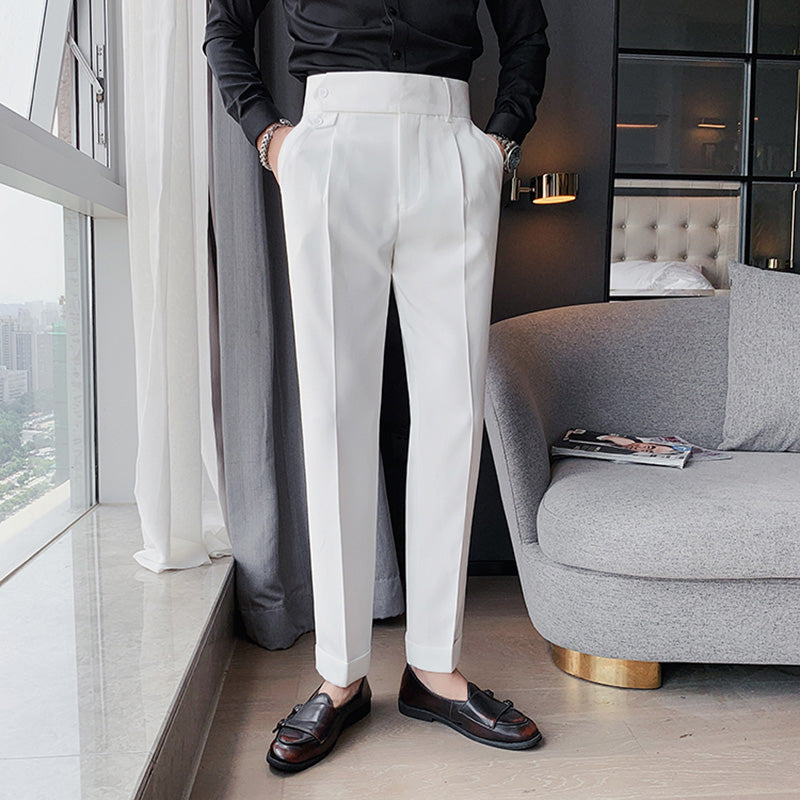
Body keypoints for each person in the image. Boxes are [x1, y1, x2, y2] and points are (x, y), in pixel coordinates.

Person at [203, 0, 551, 772]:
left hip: (450, 141)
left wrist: (499, 142)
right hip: (331, 143)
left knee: (455, 413)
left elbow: (526, 26)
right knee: (333, 416)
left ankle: (435, 667)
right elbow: (223, 22)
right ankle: (341, 674)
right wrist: (271, 137)